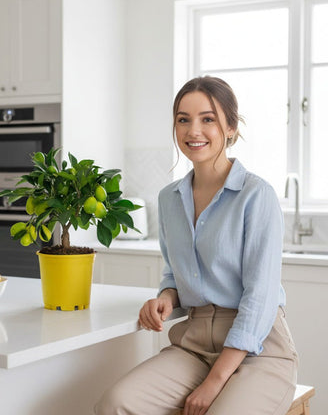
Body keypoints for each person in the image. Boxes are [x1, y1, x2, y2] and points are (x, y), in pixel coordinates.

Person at [94, 76, 298, 415]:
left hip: (259, 351)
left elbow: (260, 299)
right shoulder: (169, 199)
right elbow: (174, 272)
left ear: (231, 128)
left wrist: (214, 383)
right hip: (194, 347)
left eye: (208, 119)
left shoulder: (256, 196)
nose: (193, 131)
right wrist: (165, 297)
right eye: (183, 119)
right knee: (115, 404)